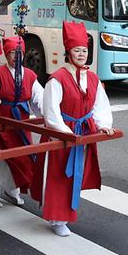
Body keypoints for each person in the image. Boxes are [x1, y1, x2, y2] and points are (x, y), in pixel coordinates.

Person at [30, 21, 114, 237]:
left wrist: (104, 125)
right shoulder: (57, 79)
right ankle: (57, 218)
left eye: (84, 50)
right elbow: (50, 112)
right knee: (58, 177)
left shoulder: (93, 78)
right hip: (63, 134)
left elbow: (99, 105)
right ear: (68, 52)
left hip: (82, 132)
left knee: (75, 175)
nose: (81, 54)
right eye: (77, 50)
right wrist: (64, 133)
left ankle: (65, 215)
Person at [0, 36, 44, 207]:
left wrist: (49, 115)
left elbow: (39, 99)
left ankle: (13, 191)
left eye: (18, 53)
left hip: (22, 122)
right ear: (6, 54)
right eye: (11, 53)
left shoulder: (30, 75)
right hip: (3, 121)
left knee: (21, 157)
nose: (15, 57)